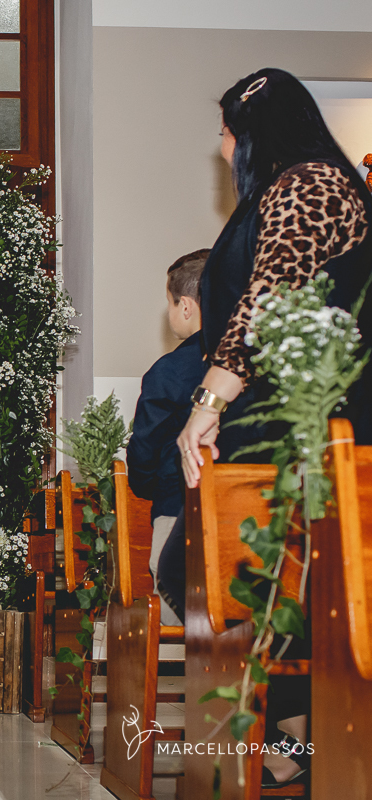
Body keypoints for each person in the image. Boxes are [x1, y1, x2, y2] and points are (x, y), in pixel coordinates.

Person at [171, 68, 372, 789]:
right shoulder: (301, 185)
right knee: (263, 587)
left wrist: (207, 402)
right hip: (288, 420)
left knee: (253, 582)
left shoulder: (307, 184)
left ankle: (303, 740)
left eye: (228, 135)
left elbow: (267, 298)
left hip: (302, 425)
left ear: (256, 135)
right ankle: (298, 739)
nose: (224, 150)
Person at [125, 249, 209, 626]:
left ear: (185, 306)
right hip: (244, 512)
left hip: (178, 512)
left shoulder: (170, 371)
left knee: (177, 632)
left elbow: (144, 450)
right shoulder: (254, 361)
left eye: (170, 302)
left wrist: (151, 488)